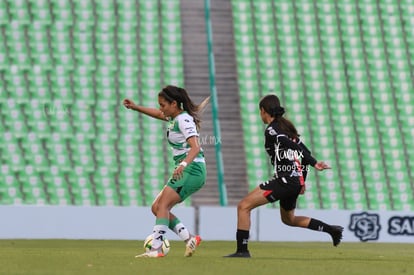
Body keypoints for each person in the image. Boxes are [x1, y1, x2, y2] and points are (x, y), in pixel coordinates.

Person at [225, 94, 343, 258]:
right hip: (293, 181)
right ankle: (332, 230)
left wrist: (313, 164)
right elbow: (303, 152)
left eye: (261, 112)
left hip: (285, 181)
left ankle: (242, 250)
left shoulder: (273, 129)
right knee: (289, 220)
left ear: (264, 111)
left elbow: (291, 145)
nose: (261, 115)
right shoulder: (288, 130)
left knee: (244, 206)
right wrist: (302, 180)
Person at [123, 85, 210, 258]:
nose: (161, 108)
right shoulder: (174, 117)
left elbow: (195, 147)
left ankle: (156, 249)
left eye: (163, 105)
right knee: (157, 207)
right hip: (187, 168)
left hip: (192, 168)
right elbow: (157, 114)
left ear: (174, 104)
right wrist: (135, 107)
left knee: (163, 206)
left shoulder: (183, 120)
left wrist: (183, 165)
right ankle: (190, 238)